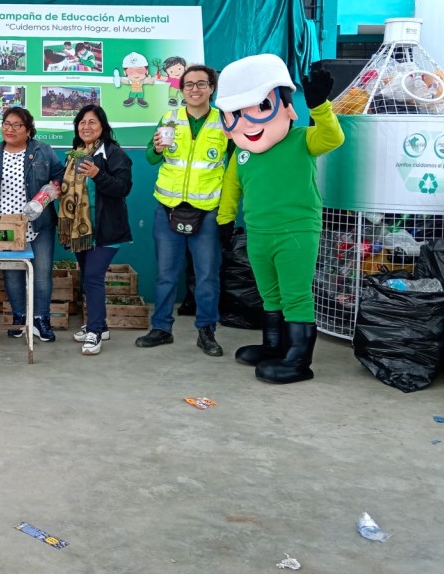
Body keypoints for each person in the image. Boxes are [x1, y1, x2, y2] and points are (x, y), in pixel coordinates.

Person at [215, 56, 344, 384]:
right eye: (235, 114)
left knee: (295, 294)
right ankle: (274, 346)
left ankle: (299, 360)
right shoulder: (242, 154)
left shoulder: (301, 139)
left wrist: (320, 107)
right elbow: (232, 186)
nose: (247, 122)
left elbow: (332, 139)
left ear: (286, 107)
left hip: (296, 232)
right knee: (269, 293)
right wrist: (225, 220)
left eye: (261, 106)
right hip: (258, 233)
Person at [136, 64, 229, 357]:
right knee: (166, 275)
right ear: (182, 90)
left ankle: (207, 332)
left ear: (212, 88)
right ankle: (161, 328)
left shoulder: (225, 121)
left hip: (208, 211)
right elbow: (151, 157)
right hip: (168, 209)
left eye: (201, 84)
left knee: (207, 276)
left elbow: (237, 166)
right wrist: (156, 149)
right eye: (189, 84)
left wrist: (228, 209)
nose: (194, 89)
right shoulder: (170, 118)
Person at [0, 107, 64, 342]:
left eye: (16, 125)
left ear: (28, 130)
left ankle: (41, 319)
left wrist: (51, 191)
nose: (9, 129)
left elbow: (60, 176)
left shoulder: (43, 150)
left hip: (39, 221)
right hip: (3, 223)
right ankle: (19, 317)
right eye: (6, 124)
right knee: (12, 271)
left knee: (42, 273)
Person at [59, 105, 133, 356]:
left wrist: (98, 174)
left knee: (92, 277)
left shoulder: (113, 153)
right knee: (87, 276)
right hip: (80, 231)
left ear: (103, 126)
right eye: (82, 122)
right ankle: (101, 325)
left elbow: (122, 188)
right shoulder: (75, 155)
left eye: (92, 122)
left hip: (106, 229)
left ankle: (95, 332)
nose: (86, 127)